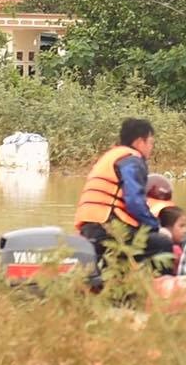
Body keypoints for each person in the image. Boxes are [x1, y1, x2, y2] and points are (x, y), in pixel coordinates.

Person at [73, 118, 175, 277]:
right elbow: (135, 202)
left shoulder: (111, 156)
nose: (151, 149)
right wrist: (156, 227)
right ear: (141, 141)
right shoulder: (132, 160)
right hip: (109, 227)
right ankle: (161, 292)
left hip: (90, 228)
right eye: (151, 143)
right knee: (162, 243)